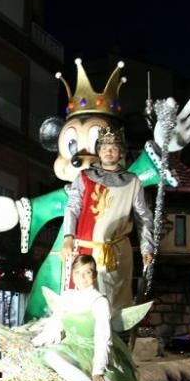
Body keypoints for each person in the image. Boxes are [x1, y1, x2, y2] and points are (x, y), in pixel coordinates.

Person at [32, 255, 144, 381]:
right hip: (72, 347)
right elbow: (55, 325)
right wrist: (37, 341)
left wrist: (98, 370)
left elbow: (103, 336)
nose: (82, 277)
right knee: (50, 355)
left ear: (94, 275)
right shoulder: (66, 296)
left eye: (87, 272)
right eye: (78, 273)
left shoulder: (99, 301)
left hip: (95, 349)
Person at [61, 127, 155, 311]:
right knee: (84, 302)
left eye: (113, 147)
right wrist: (68, 237)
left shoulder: (132, 181)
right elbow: (72, 208)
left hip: (117, 252)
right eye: (104, 147)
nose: (108, 151)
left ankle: (113, 336)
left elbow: (143, 217)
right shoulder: (84, 177)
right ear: (98, 151)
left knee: (114, 303)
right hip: (87, 250)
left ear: (120, 152)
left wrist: (147, 247)